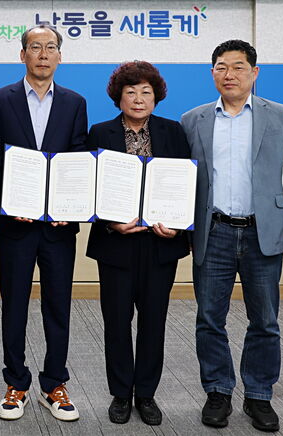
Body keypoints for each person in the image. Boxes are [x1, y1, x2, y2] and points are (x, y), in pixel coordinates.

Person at [181, 39, 283, 432]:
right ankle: (218, 391)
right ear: (212, 74)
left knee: (265, 320)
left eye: (238, 67)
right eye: (221, 67)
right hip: (214, 232)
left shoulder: (281, 115)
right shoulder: (193, 119)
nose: (229, 74)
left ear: (254, 73)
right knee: (209, 318)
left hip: (263, 233)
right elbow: (182, 180)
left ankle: (258, 395)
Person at [0, 24, 87, 422]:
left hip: (59, 227)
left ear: (60, 55)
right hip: (17, 223)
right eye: (35, 47)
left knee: (58, 304)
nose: (43, 54)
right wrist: (4, 203)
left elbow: (77, 158)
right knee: (14, 304)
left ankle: (54, 383)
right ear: (22, 54)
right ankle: (16, 382)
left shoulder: (75, 102)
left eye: (51, 47)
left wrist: (69, 206)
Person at [85, 61, 190, 426]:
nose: (139, 98)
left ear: (156, 97)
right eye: (131, 92)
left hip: (160, 245)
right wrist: (110, 221)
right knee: (116, 321)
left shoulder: (173, 132)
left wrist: (177, 227)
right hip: (116, 244)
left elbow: (186, 185)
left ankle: (145, 393)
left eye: (146, 92)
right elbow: (89, 186)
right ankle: (120, 393)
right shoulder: (100, 133)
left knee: (153, 321)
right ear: (119, 97)